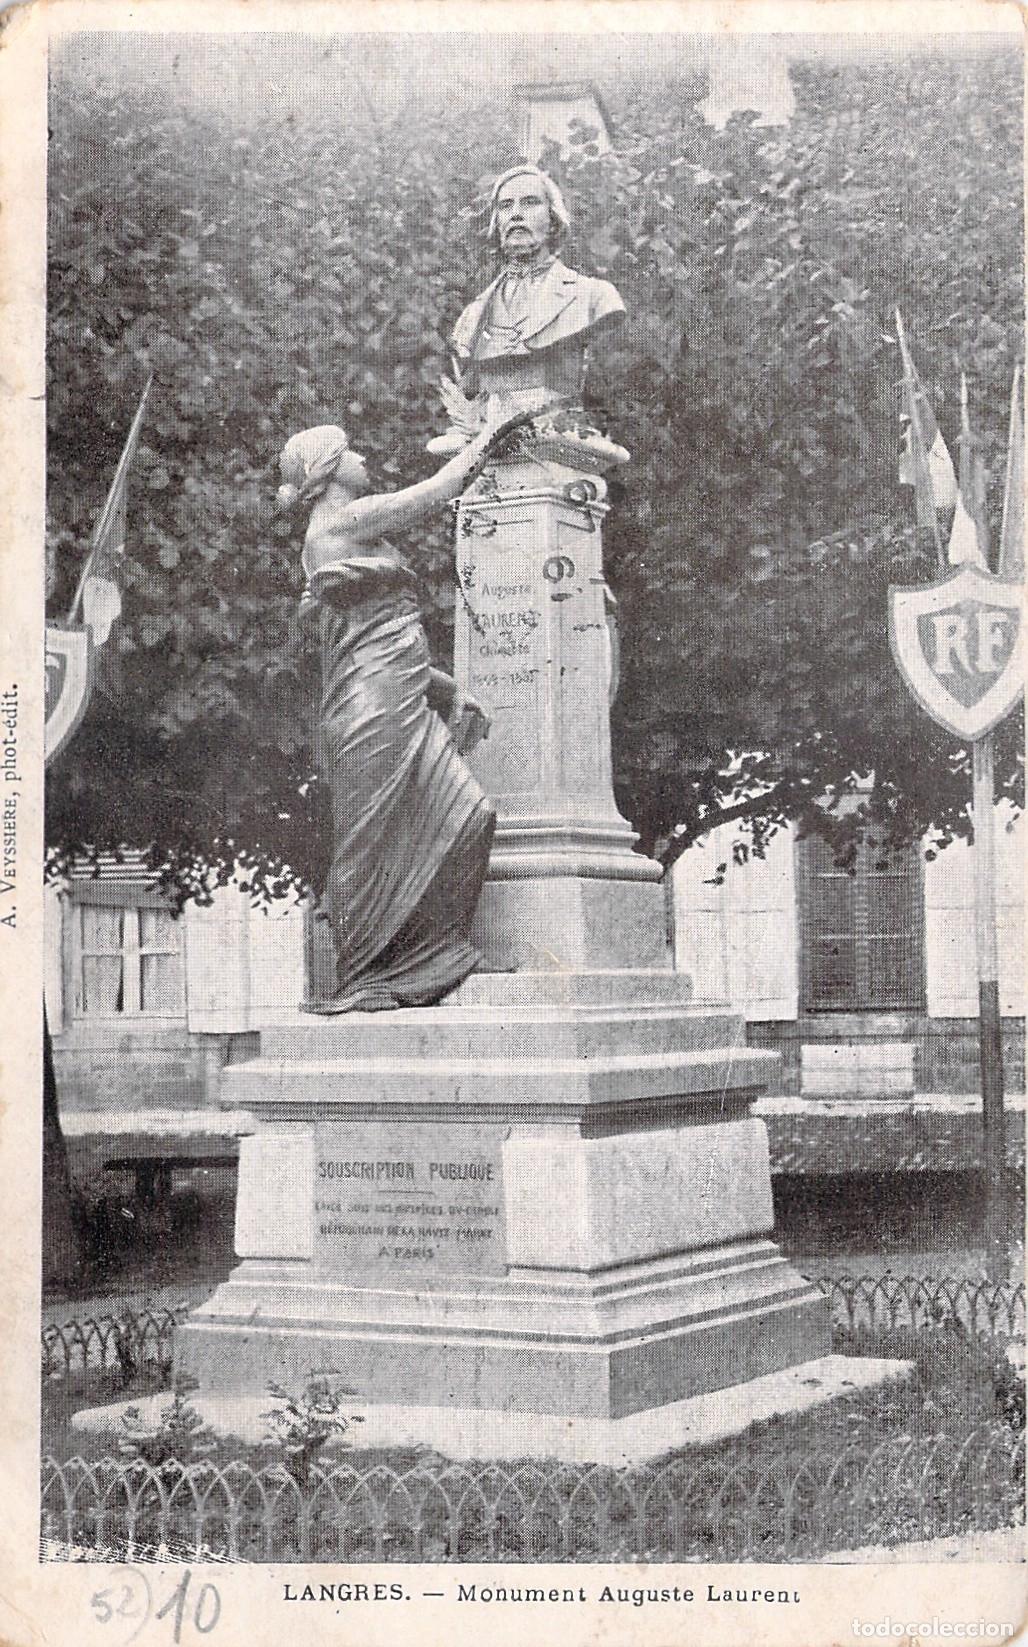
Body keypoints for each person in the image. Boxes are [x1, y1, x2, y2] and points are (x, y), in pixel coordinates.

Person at [276, 415, 514, 1013]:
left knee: (471, 815)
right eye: (352, 452)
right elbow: (438, 490)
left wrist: (446, 688)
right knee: (371, 836)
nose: (364, 460)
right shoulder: (343, 521)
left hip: (399, 691)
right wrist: (493, 434)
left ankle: (426, 958)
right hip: (370, 704)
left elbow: (380, 635)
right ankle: (365, 973)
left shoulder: (347, 530)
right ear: (329, 468)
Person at [450, 165, 626, 413]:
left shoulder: (593, 296)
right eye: (505, 206)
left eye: (530, 203)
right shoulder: (472, 317)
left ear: (553, 220)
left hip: (556, 422)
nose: (516, 214)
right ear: (497, 223)